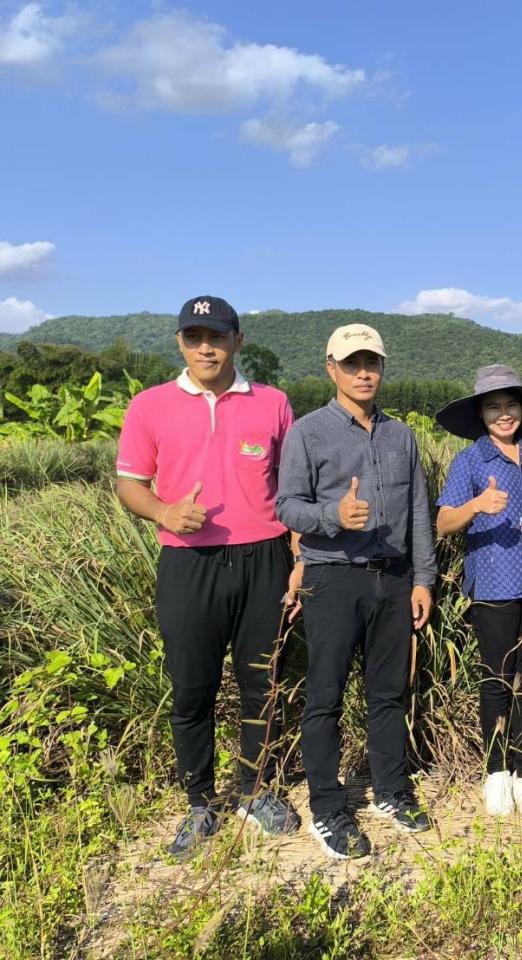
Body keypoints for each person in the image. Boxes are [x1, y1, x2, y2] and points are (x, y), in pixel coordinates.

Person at [115, 294, 300, 857]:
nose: (205, 348)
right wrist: (166, 512)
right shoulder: (149, 406)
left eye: (216, 337)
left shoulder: (273, 403)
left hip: (264, 559)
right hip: (188, 562)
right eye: (194, 338)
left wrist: (298, 562)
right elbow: (129, 483)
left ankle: (255, 789)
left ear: (236, 342)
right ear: (180, 343)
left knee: (260, 683)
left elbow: (292, 493)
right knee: (192, 687)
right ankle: (199, 800)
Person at [276, 323, 437, 859]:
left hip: (392, 579)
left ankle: (391, 790)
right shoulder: (307, 432)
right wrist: (332, 515)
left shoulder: (401, 435)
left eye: (372, 362)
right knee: (324, 696)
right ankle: (327, 806)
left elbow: (418, 514)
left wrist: (422, 579)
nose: (364, 372)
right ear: (331, 368)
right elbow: (287, 507)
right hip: (332, 576)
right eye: (352, 363)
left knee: (388, 691)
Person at [435, 365, 522, 817]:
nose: (503, 414)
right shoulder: (470, 461)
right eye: (493, 407)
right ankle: (495, 772)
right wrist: (476, 505)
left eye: (510, 406)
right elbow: (444, 523)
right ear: (481, 414)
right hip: (492, 583)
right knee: (496, 680)